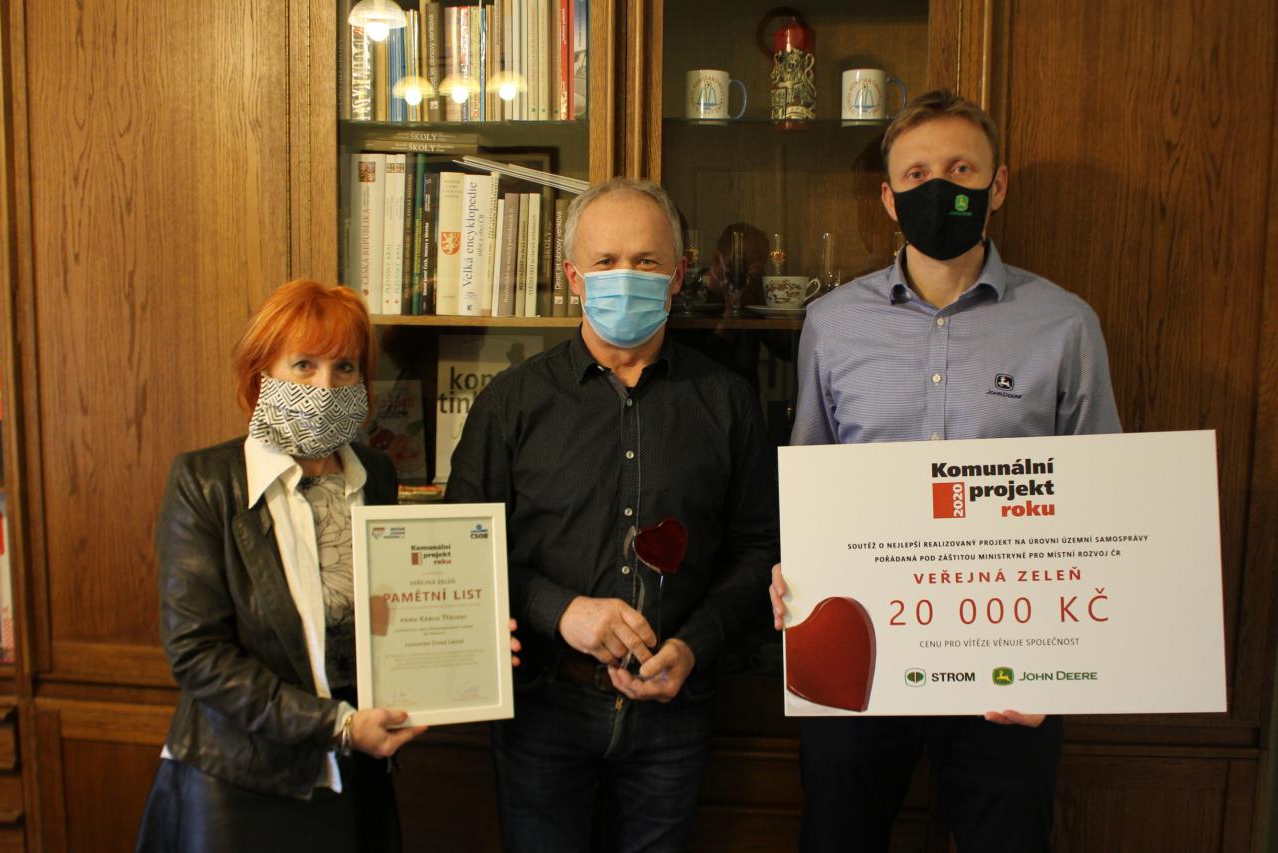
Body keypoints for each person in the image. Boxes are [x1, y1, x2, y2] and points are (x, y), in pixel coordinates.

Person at [769, 90, 1121, 852]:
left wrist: (1064, 669)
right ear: (889, 199)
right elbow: (812, 478)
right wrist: (794, 572)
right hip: (859, 655)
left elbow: (1103, 501)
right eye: (918, 174)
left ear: (998, 184)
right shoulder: (832, 323)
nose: (941, 188)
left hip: (1013, 662)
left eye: (962, 169)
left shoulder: (1065, 325)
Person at [446, 177, 779, 852]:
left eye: (647, 261)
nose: (626, 276)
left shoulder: (728, 402)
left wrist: (693, 644)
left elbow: (757, 548)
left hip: (676, 708)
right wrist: (560, 610)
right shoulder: (510, 404)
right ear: (574, 276)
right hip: (542, 705)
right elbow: (460, 547)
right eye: (605, 261)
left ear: (679, 275)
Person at [135, 279, 509, 853]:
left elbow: (390, 608)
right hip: (243, 779)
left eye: (344, 367)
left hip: (357, 772)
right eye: (303, 364)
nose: (325, 386)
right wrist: (336, 725)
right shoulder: (206, 482)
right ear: (261, 372)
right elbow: (197, 654)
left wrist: (468, 634)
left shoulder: (374, 475)